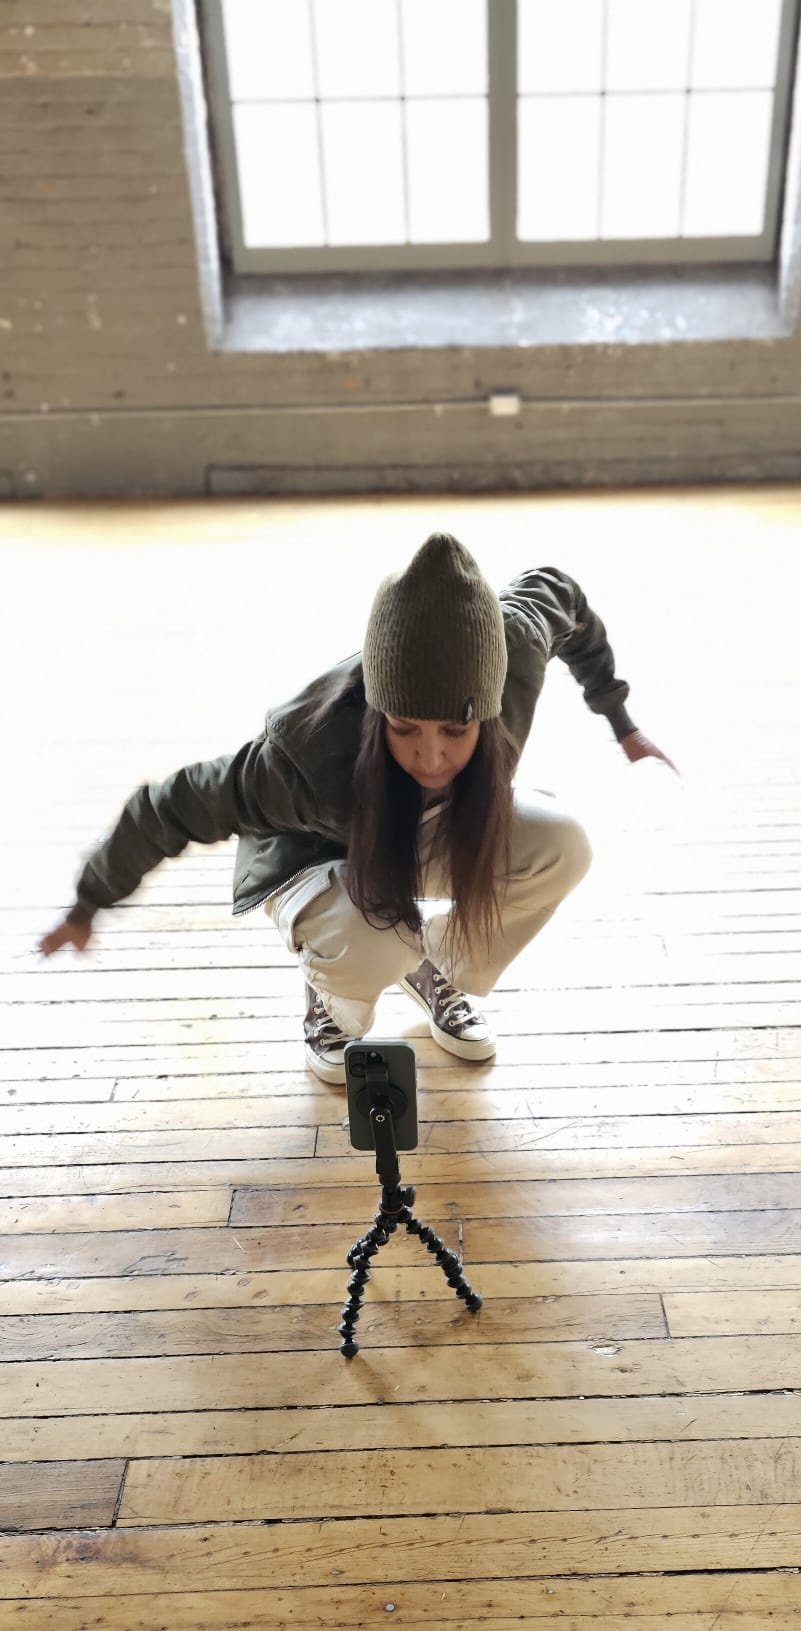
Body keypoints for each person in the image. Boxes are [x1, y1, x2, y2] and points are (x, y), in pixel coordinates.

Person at [38, 532, 671, 1084]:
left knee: (565, 844)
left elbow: (563, 594)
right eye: (404, 728)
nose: (430, 758)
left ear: (490, 701)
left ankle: (435, 970)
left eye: (455, 731)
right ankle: (332, 1003)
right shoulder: (301, 759)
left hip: (413, 832)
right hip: (313, 857)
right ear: (377, 711)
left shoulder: (516, 646)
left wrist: (620, 720)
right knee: (377, 941)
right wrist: (89, 901)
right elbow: (166, 806)